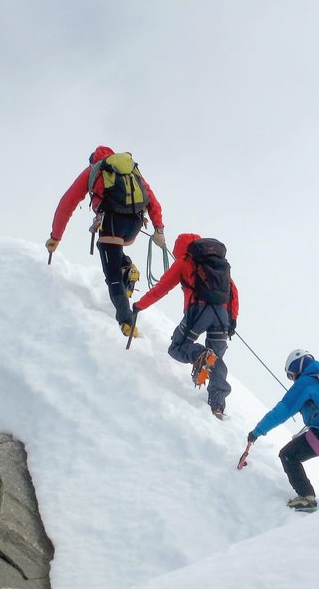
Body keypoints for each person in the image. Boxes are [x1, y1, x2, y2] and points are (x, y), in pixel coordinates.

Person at [46, 146, 166, 337]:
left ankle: (126, 321)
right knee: (109, 249)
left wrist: (55, 237)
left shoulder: (93, 170)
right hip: (135, 223)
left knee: (113, 277)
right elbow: (151, 199)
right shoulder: (131, 169)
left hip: (112, 222)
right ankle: (126, 267)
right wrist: (159, 229)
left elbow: (66, 203)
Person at [132, 233, 239, 418]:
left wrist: (139, 306)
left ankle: (202, 355)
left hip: (198, 312)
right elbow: (233, 291)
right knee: (216, 360)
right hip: (222, 316)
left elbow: (161, 289)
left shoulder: (184, 261)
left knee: (178, 347)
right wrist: (232, 318)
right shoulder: (218, 263)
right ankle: (218, 405)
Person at [246, 349, 319, 512]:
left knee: (288, 455)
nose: (292, 379)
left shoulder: (306, 382)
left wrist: (256, 432)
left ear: (297, 366)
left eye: (291, 374)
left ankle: (306, 497)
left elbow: (282, 411)